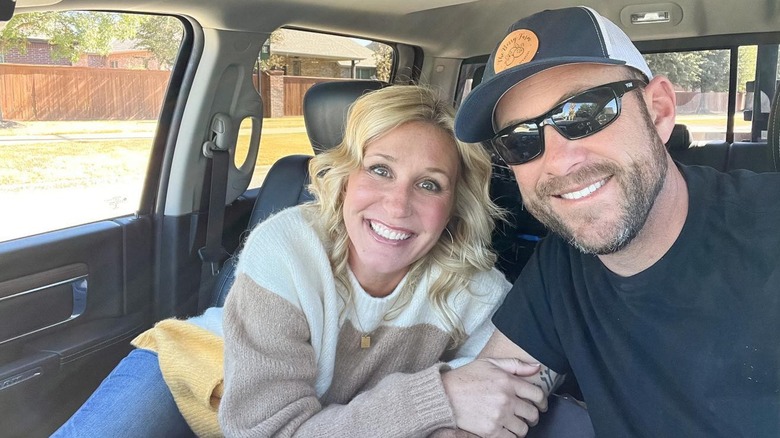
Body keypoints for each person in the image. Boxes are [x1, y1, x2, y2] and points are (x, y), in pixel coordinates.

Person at [53, 85, 546, 438]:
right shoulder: (288, 246)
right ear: (346, 178)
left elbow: (513, 392)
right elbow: (267, 430)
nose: (398, 206)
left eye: (429, 183)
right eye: (380, 170)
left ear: (455, 203)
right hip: (197, 368)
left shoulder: (478, 292)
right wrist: (440, 396)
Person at [454, 6, 780, 437]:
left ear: (659, 111)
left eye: (585, 113)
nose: (559, 162)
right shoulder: (562, 264)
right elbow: (488, 401)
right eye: (521, 140)